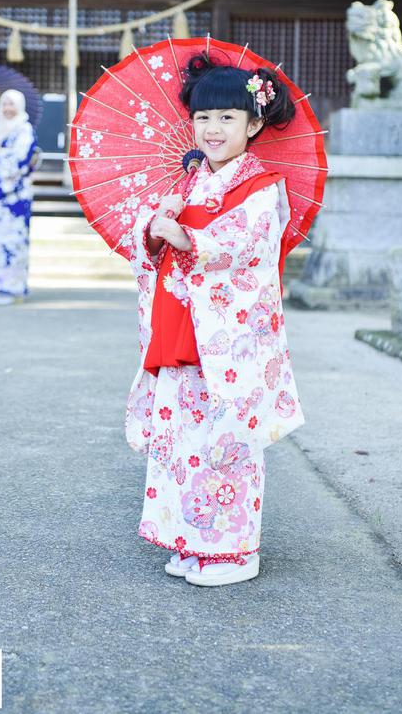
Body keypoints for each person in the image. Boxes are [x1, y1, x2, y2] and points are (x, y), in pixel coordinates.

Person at [126, 55, 305, 586]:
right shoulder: (185, 182)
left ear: (254, 125)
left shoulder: (261, 187)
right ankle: (189, 538)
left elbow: (247, 249)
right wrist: (155, 228)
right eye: (204, 117)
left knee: (224, 442)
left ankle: (234, 552)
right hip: (181, 332)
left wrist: (194, 240)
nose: (213, 128)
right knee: (180, 439)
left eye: (228, 117)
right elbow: (149, 238)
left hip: (229, 341)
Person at [0, 89, 37, 304]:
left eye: (12, 105)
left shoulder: (24, 129)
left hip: (15, 197)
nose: (8, 109)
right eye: (5, 104)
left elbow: (19, 160)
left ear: (20, 107)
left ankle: (13, 287)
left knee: (13, 241)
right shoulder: (0, 128)